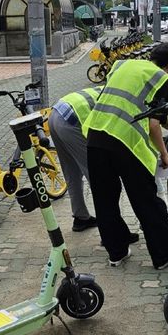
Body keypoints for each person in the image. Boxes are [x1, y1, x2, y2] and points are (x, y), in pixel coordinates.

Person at [83, 42, 168, 269]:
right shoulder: (162, 78)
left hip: (96, 136)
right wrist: (165, 155)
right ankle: (163, 256)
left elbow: (135, 104)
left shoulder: (122, 65)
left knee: (105, 201)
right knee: (146, 201)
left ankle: (116, 253)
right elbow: (153, 125)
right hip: (126, 144)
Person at [48, 87, 102, 232]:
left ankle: (80, 218)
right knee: (97, 177)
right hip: (71, 121)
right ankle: (109, 231)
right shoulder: (120, 101)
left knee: (71, 172)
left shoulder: (106, 89)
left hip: (55, 114)